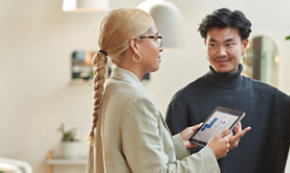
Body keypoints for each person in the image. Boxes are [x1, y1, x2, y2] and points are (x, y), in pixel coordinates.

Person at [86, 8, 248, 173]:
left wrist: (178, 143)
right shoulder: (136, 101)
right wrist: (210, 154)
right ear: (135, 45)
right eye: (156, 38)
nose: (160, 48)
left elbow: (138, 157)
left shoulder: (114, 89)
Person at [166, 8, 290, 173]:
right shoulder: (183, 102)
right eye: (213, 44)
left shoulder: (270, 98)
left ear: (244, 45)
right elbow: (169, 162)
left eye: (229, 44)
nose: (220, 52)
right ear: (205, 45)